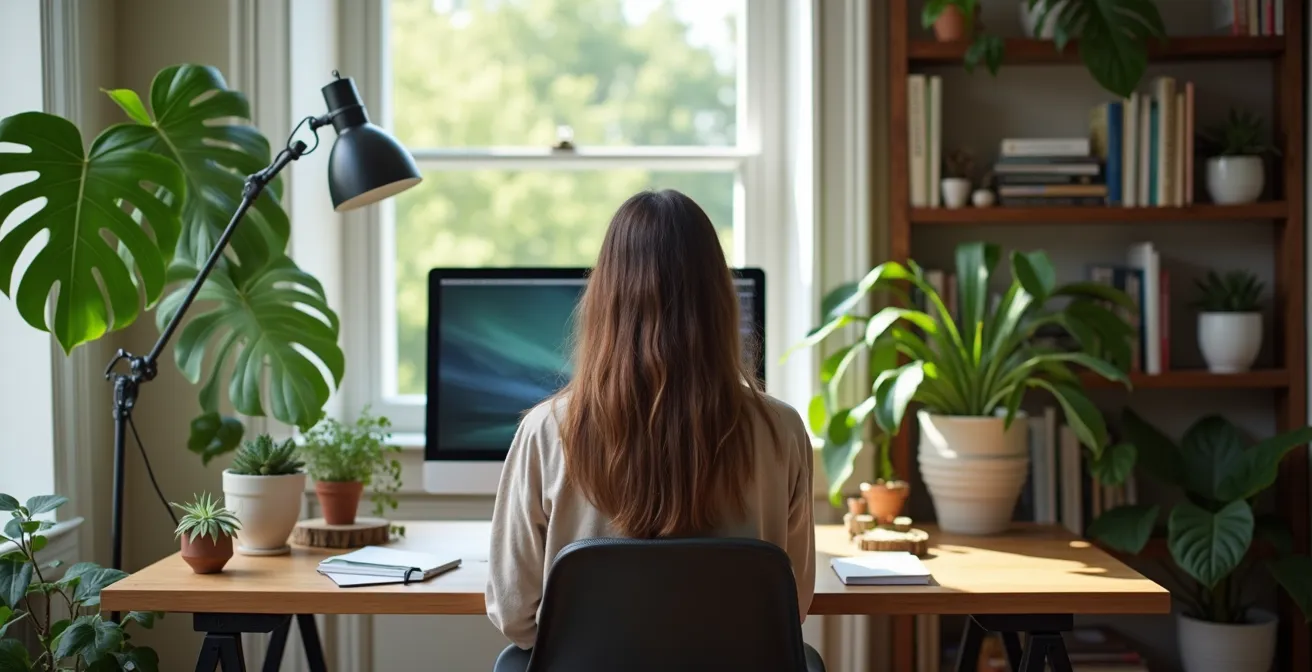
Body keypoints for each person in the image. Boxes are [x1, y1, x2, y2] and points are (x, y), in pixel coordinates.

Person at [485, 189, 816, 656]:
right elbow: (793, 604)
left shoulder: (546, 430)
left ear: (604, 300)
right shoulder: (781, 429)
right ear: (720, 299)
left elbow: (514, 611)